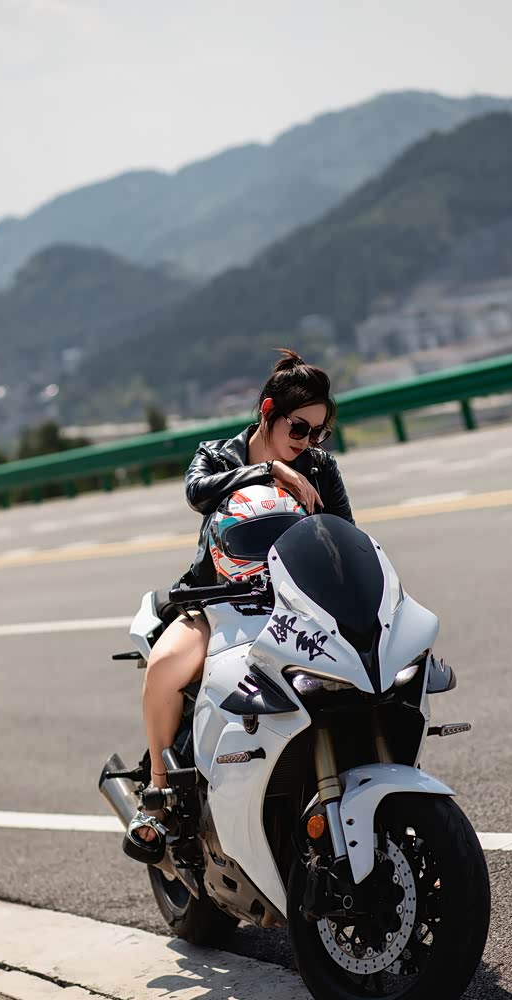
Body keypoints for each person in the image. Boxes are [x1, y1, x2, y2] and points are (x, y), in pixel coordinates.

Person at [128, 348, 354, 852]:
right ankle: (159, 792)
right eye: (299, 428)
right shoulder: (218, 454)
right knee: (164, 666)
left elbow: (345, 534)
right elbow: (198, 492)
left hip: (296, 603)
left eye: (318, 433)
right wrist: (269, 472)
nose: (307, 442)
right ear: (269, 412)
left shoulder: (320, 467)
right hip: (218, 599)